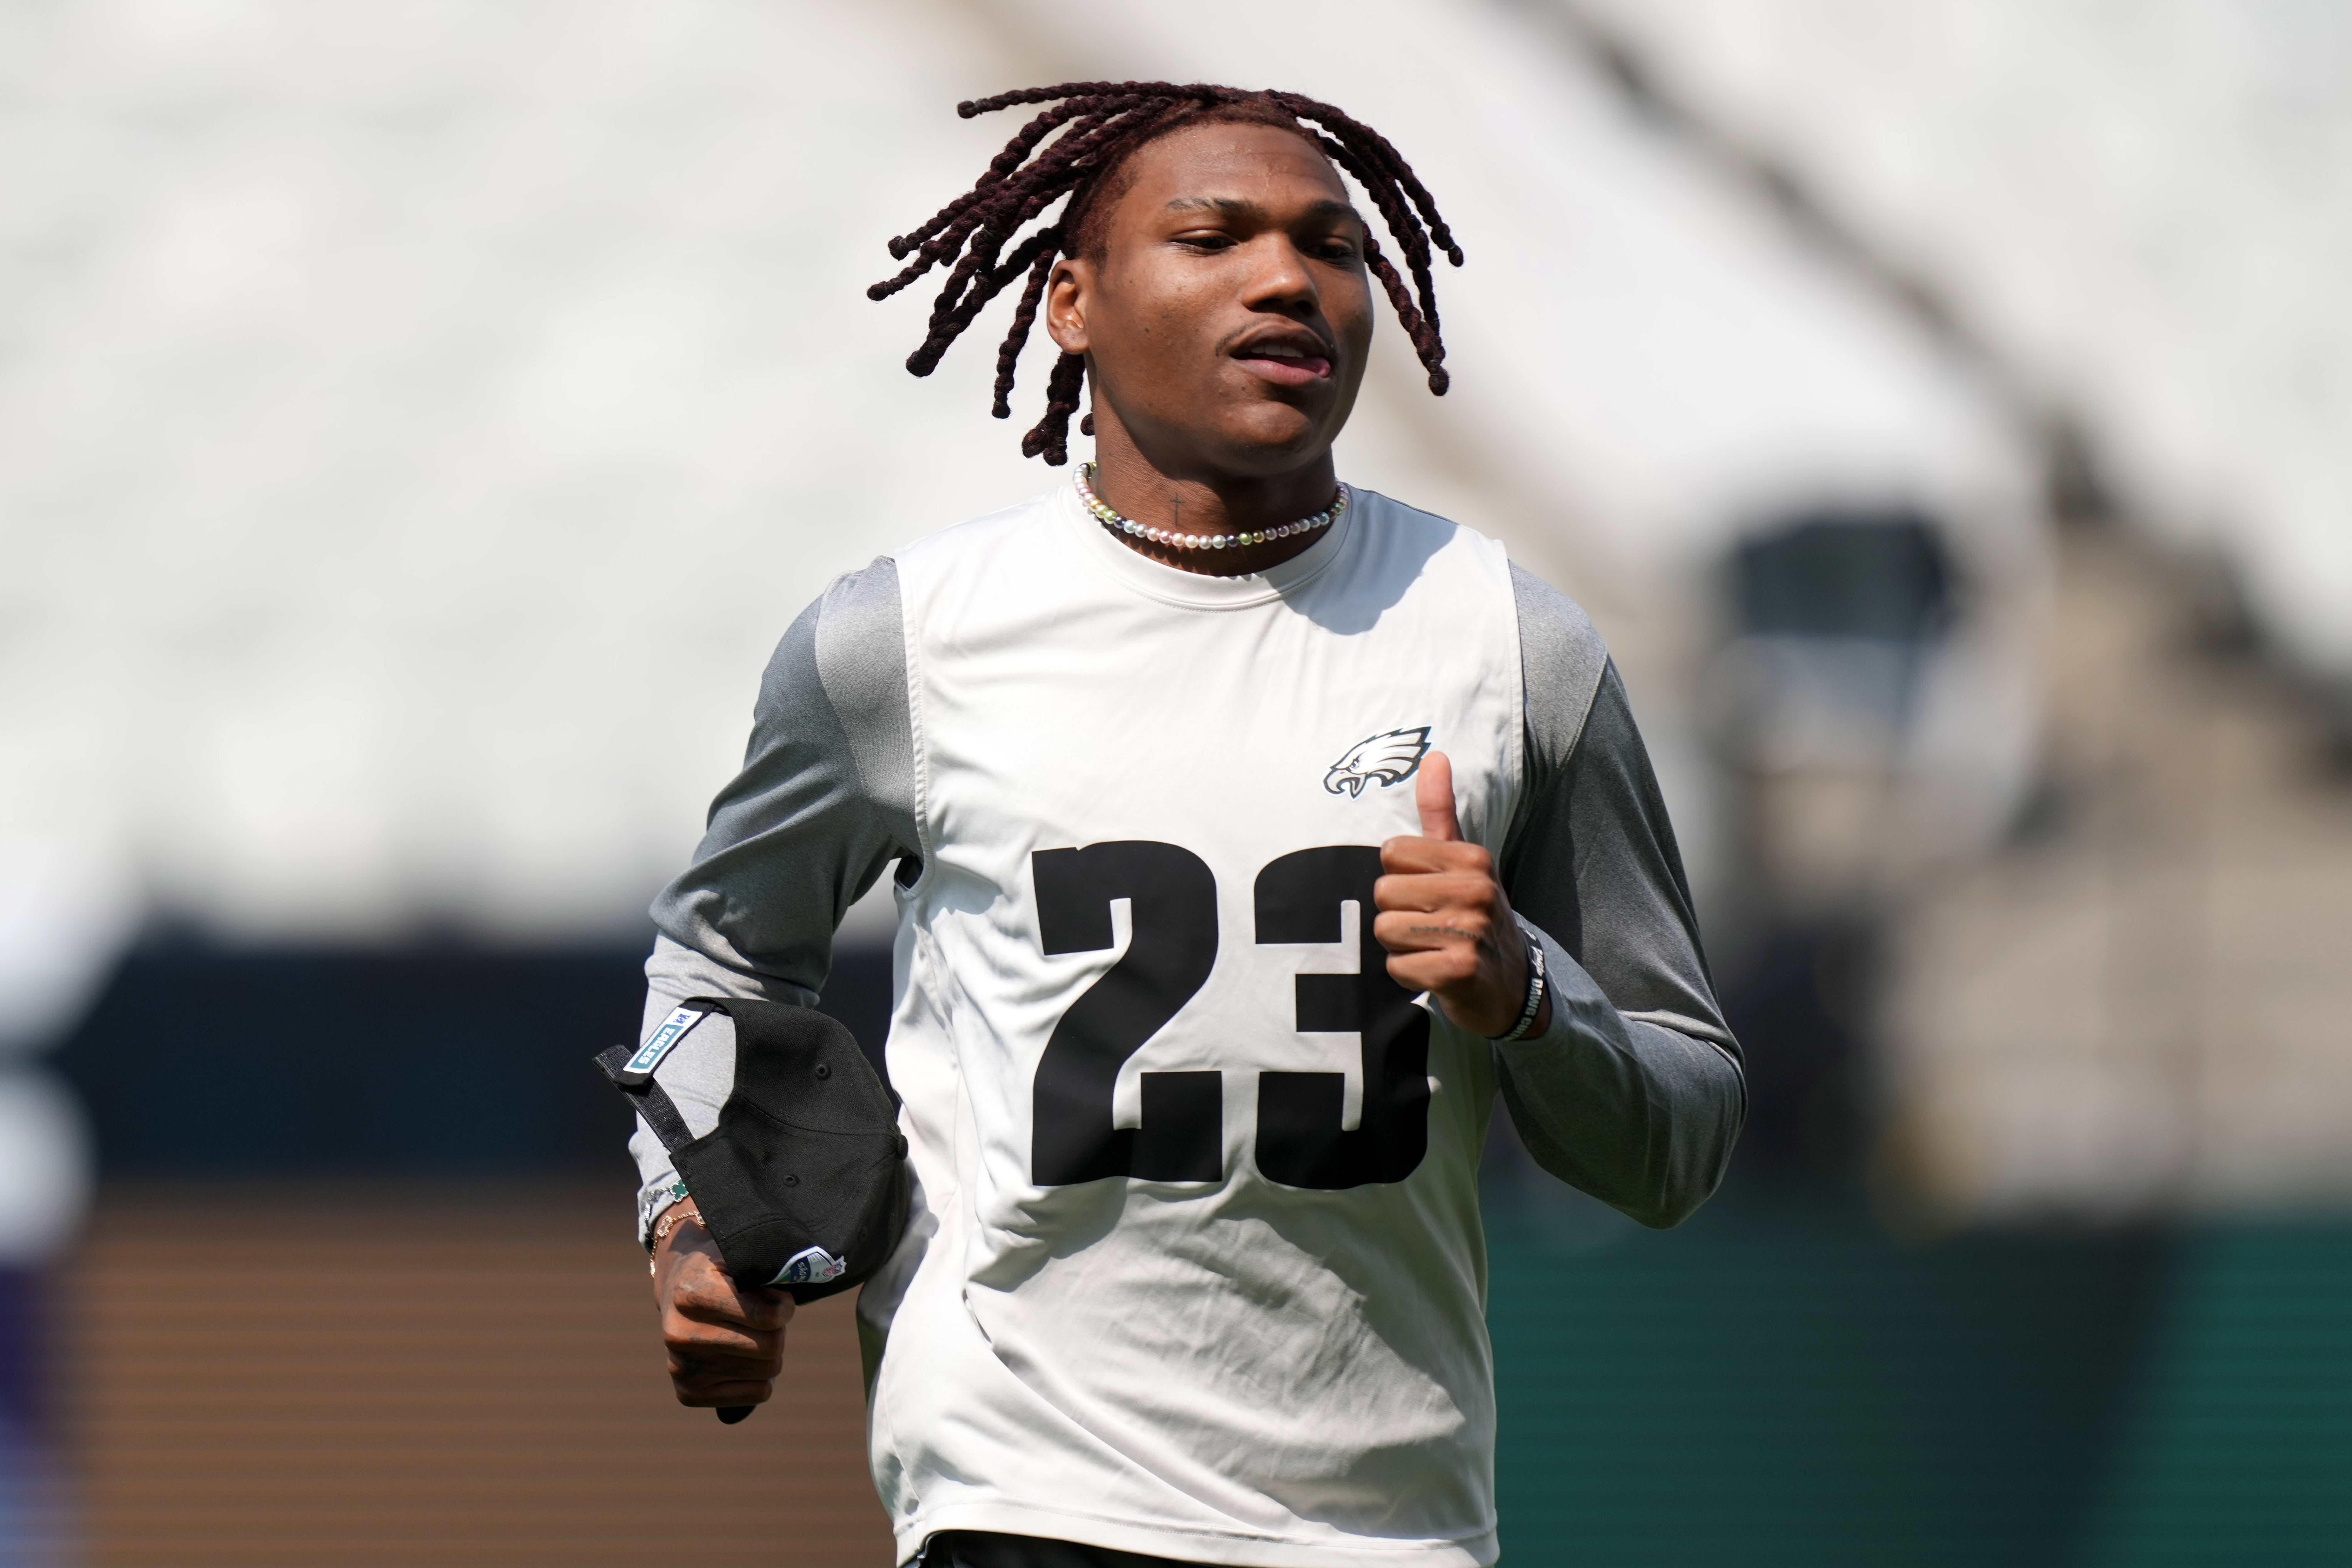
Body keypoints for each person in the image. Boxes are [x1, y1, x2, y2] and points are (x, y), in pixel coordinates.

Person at [628, 82, 1743, 1568]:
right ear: (1073, 301)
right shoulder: (898, 643)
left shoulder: (1513, 646)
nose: (1286, 279)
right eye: (1213, 236)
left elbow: (1680, 1141)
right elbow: (723, 961)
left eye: (1330, 245)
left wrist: (1527, 994)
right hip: (1024, 1492)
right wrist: (697, 1221)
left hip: (1392, 1529)